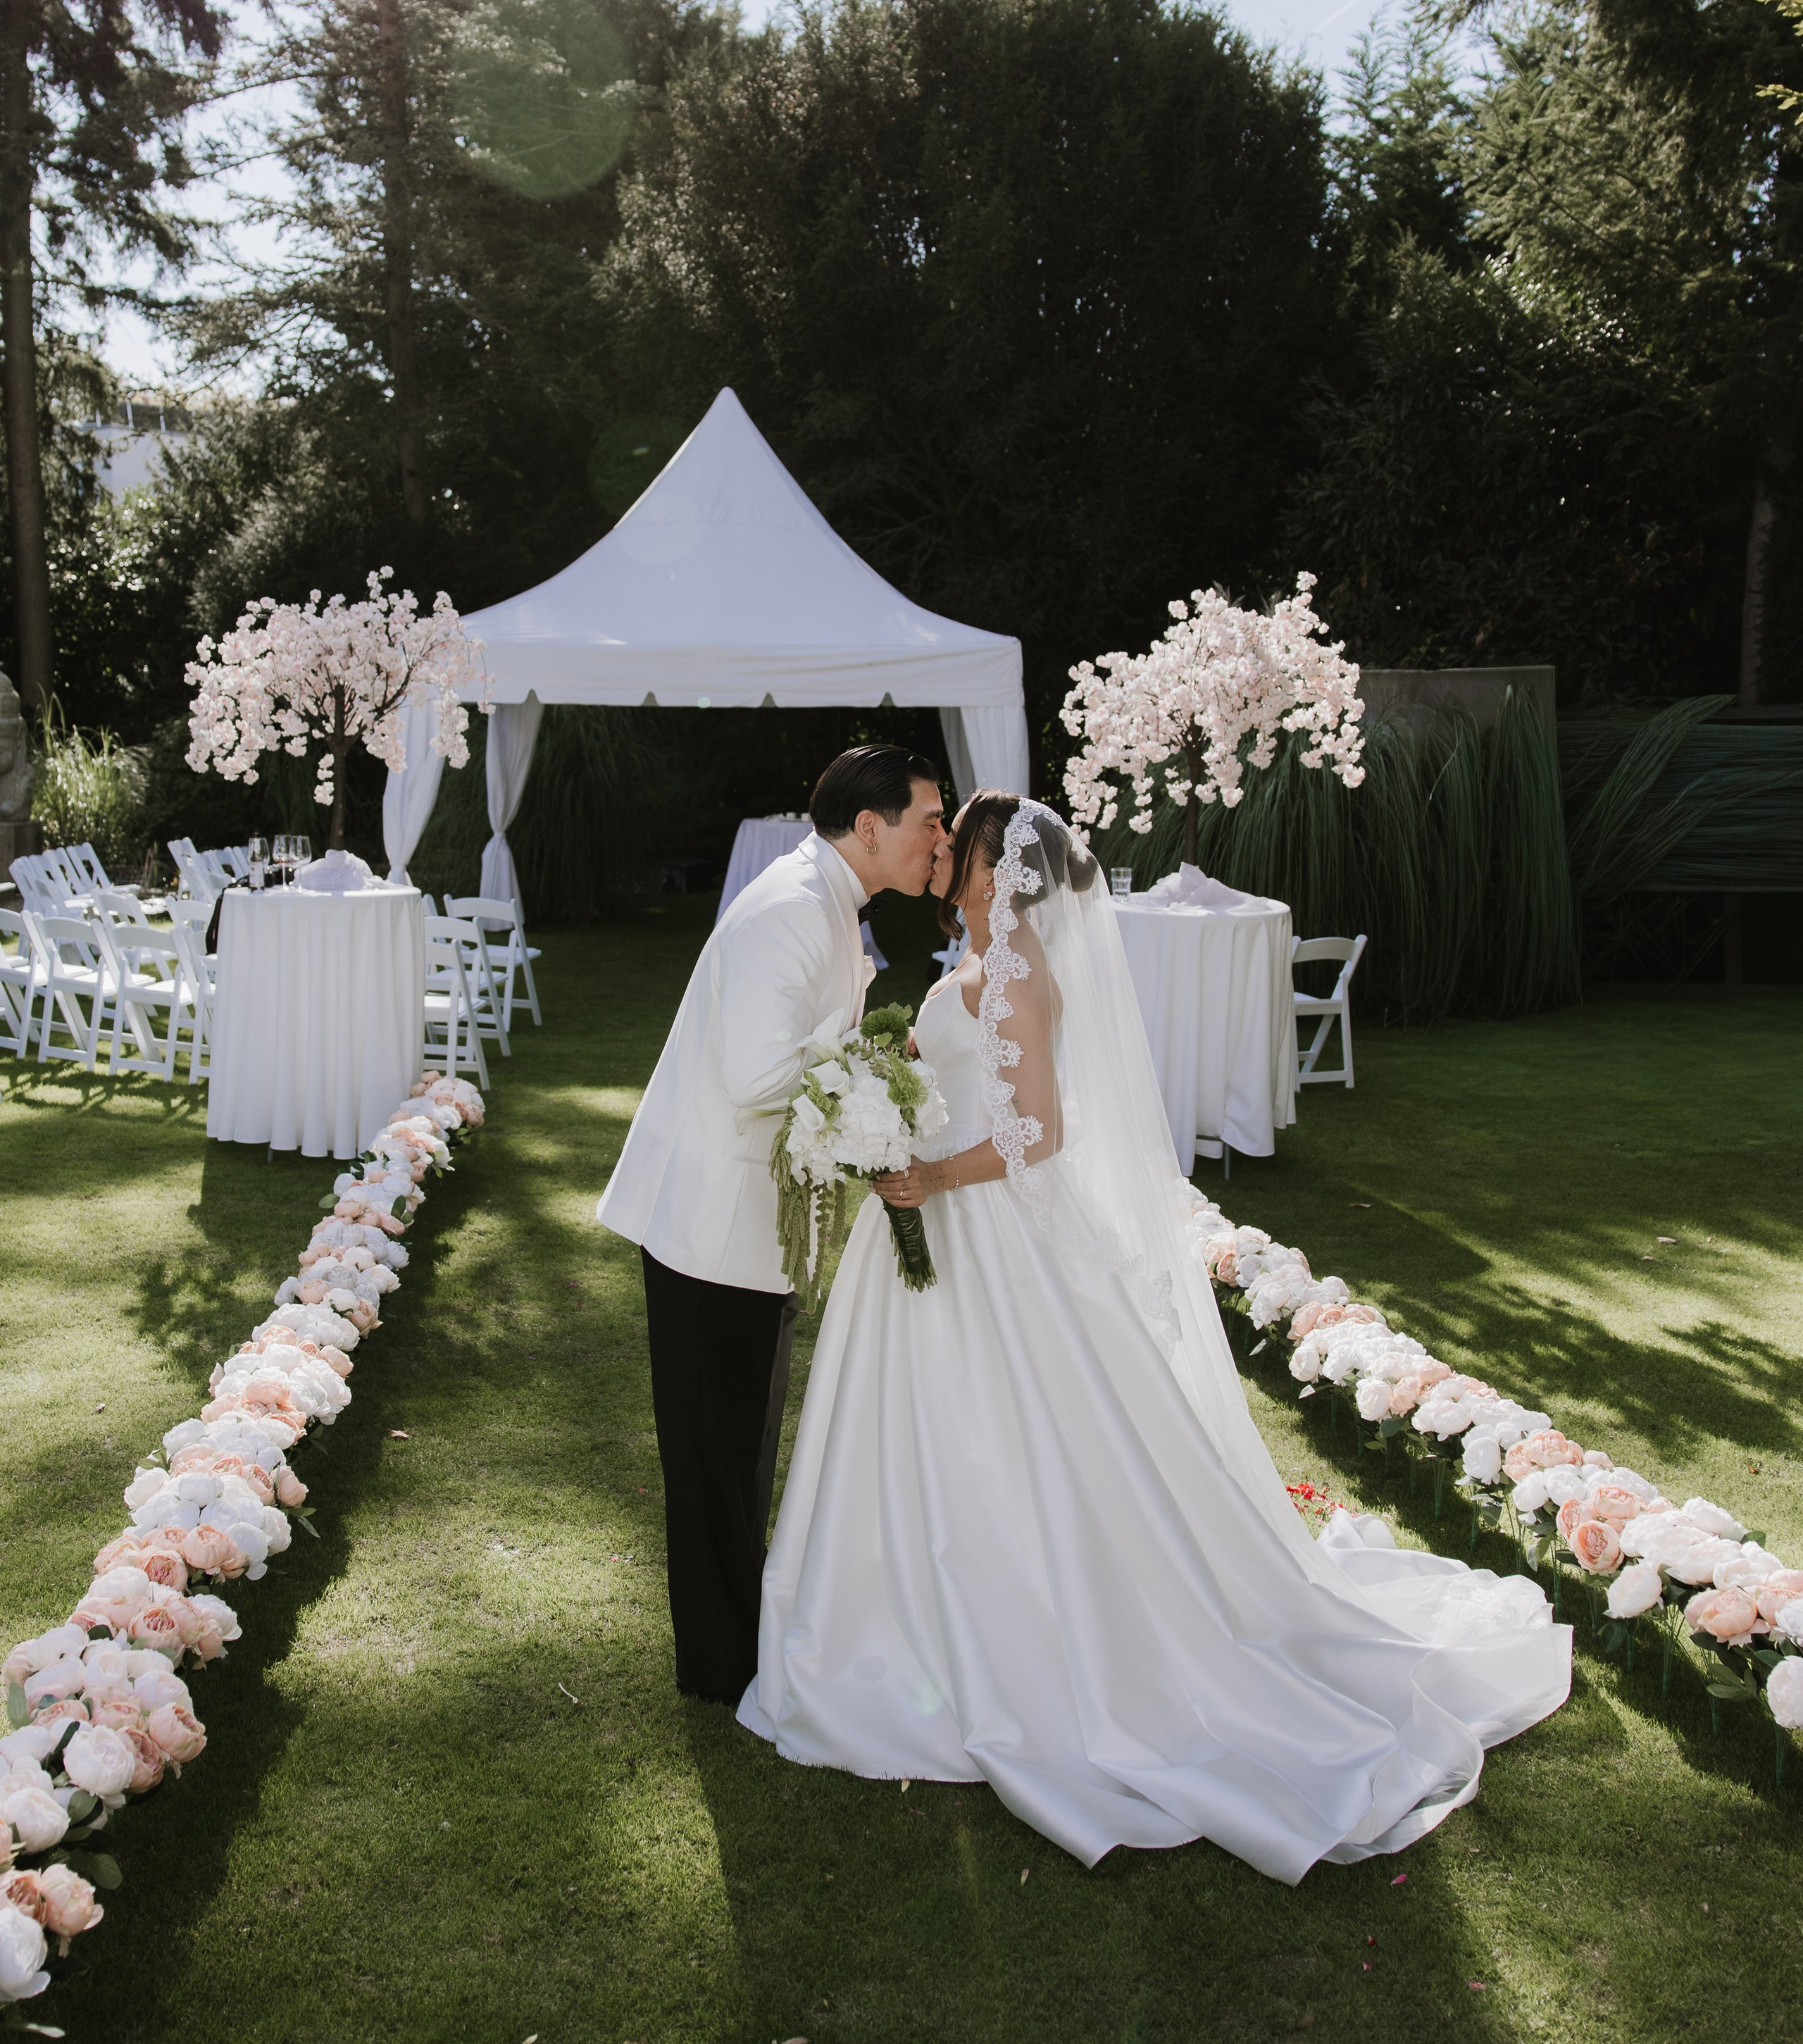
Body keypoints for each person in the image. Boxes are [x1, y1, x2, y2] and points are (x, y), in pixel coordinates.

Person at [739, 792, 1571, 1877]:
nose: (944, 852)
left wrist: (930, 1170)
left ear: (999, 868)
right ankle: (896, 1619)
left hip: (986, 1229)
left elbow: (1038, 1131)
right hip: (937, 1225)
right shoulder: (982, 952)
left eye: (963, 843)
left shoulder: (1021, 966)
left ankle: (1017, 1634)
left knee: (1019, 1434)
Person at [596, 744, 946, 1702]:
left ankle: (737, 1645)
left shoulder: (828, 901)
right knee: (716, 1454)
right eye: (929, 820)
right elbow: (758, 1078)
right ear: (868, 828)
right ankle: (720, 1668)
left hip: (752, 1226)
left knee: (740, 1445)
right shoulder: (795, 909)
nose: (940, 840)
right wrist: (877, 1082)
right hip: (714, 1226)